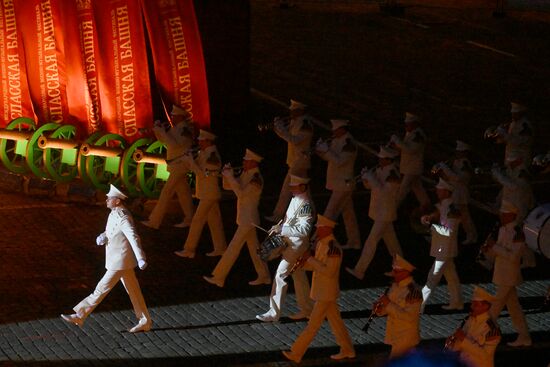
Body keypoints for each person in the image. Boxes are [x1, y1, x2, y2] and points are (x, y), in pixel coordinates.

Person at [61, 185, 152, 333]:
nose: (106, 199)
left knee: (101, 289)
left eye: (109, 198)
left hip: (119, 262)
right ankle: (145, 321)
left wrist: (141, 258)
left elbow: (133, 237)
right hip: (121, 261)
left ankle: (80, 315)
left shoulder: (124, 217)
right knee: (134, 291)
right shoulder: (114, 213)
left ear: (117, 201)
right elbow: (112, 230)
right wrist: (104, 236)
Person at [281, 214, 355, 363]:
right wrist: (304, 264)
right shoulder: (322, 244)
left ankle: (296, 353)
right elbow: (318, 266)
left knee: (313, 325)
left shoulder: (333, 248)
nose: (317, 232)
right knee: (336, 323)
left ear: (327, 229)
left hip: (326, 292)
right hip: (323, 291)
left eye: (319, 229)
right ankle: (348, 350)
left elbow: (329, 271)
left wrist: (309, 259)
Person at [203, 149, 270, 287]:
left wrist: (231, 177)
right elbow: (230, 187)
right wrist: (226, 176)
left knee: (233, 248)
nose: (243, 162)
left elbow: (241, 194)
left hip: (248, 219)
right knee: (254, 249)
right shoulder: (247, 174)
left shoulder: (256, 178)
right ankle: (264, 276)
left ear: (252, 162)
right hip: (246, 218)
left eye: (246, 160)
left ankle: (219, 276)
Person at [257, 174, 314, 322]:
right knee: (299, 276)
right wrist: (279, 228)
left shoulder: (306, 205)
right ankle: (308, 310)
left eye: (293, 186)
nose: (290, 188)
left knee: (280, 275)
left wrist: (282, 229)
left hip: (297, 246)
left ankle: (273, 313)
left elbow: (304, 230)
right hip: (292, 243)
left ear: (302, 187)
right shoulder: (296, 199)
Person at [346, 146, 402, 280]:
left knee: (371, 241)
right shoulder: (380, 170)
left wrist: (371, 178)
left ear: (389, 160)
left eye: (382, 159)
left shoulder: (393, 174)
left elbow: (384, 192)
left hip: (385, 213)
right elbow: (371, 187)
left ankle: (360, 270)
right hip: (380, 212)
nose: (379, 161)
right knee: (393, 245)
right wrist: (366, 179)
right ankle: (402, 269)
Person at [482, 201, 532, 347]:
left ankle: (482, 333)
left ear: (512, 215)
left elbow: (513, 257)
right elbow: (499, 252)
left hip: (509, 275)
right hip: (502, 274)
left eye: (504, 214)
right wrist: (489, 251)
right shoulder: (503, 229)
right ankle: (525, 337)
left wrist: (494, 246)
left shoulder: (518, 233)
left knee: (495, 307)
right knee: (514, 309)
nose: (501, 216)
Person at [174, 129, 227, 258]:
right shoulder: (203, 153)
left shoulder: (212, 156)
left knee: (197, 221)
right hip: (207, 193)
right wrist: (188, 160)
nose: (199, 142)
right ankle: (220, 248)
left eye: (201, 140)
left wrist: (191, 161)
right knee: (215, 222)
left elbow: (202, 174)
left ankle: (189, 249)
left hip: (209, 194)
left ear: (208, 141)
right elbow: (196, 169)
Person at [142, 105, 195, 229]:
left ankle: (154, 221)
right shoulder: (176, 128)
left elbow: (174, 144)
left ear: (180, 116)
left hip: (180, 165)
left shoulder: (185, 130)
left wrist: (162, 132)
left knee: (166, 192)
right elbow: (164, 141)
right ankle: (190, 218)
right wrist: (157, 131)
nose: (172, 118)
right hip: (175, 164)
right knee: (184, 193)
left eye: (174, 116)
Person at [265, 100, 313, 222]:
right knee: (305, 191)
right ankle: (312, 213)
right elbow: (288, 136)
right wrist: (278, 128)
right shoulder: (294, 122)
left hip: (300, 161)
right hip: (295, 160)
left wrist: (280, 129)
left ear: (300, 111)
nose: (291, 113)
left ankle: (277, 215)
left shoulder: (305, 124)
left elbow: (294, 140)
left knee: (286, 188)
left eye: (294, 111)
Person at [315, 119, 360, 249]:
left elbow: (340, 161)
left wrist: (326, 151)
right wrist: (321, 151)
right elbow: (330, 158)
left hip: (343, 184)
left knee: (329, 212)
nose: (333, 132)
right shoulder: (337, 140)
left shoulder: (349, 143)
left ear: (342, 129)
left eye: (335, 129)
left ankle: (316, 241)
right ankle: (354, 241)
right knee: (348, 214)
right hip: (338, 182)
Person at [420, 178, 463, 312]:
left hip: (445, 249)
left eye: (439, 190)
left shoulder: (453, 209)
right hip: (442, 248)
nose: (437, 192)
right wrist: (426, 220)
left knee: (432, 277)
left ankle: (419, 304)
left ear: (446, 191)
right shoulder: (442, 206)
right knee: (451, 277)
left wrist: (432, 226)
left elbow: (448, 231)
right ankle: (457, 302)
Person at [374, 254, 422, 358]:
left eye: (396, 272)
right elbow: (389, 309)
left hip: (405, 337)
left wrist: (388, 303)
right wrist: (380, 310)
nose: (393, 274)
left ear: (406, 272)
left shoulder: (413, 292)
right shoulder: (395, 286)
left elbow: (409, 317)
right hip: (396, 335)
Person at [434, 140, 477, 244]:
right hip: (454, 192)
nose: (457, 153)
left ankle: (471, 236)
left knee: (463, 217)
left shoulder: (465, 163)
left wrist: (445, 168)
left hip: (461, 193)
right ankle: (464, 235)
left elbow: (459, 178)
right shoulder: (456, 162)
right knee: (454, 215)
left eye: (459, 151)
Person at [446, 286, 501, 367]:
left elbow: (484, 355)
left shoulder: (492, 329)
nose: (471, 307)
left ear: (485, 307)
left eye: (475, 304)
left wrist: (463, 339)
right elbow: (460, 345)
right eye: (472, 303)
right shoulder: (469, 320)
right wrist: (452, 345)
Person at [390, 112, 430, 212]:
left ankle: (392, 209)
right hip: (409, 167)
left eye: (408, 124)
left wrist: (398, 141)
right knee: (417, 188)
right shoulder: (410, 134)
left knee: (402, 189)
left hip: (413, 168)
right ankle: (427, 206)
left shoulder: (418, 135)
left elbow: (410, 149)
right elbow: (404, 148)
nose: (406, 126)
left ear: (414, 124)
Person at [496, 102, 533, 166]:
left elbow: (518, 141)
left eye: (515, 114)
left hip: (520, 158)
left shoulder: (525, 126)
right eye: (512, 113)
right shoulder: (512, 124)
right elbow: (508, 140)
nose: (513, 115)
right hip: (510, 157)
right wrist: (499, 136)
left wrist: (504, 134)